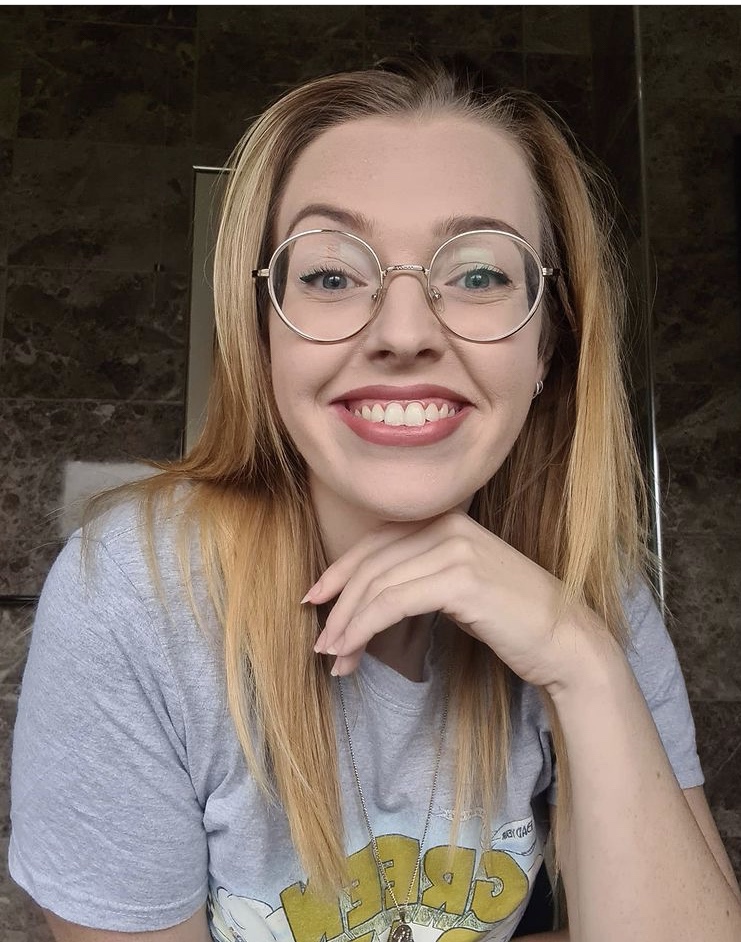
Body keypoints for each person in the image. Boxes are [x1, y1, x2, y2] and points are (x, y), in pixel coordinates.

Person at [9, 62, 741, 942]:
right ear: (261, 336)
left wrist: (581, 663)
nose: (403, 332)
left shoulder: (591, 589)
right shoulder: (134, 595)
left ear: (548, 344)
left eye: (479, 274)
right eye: (329, 276)